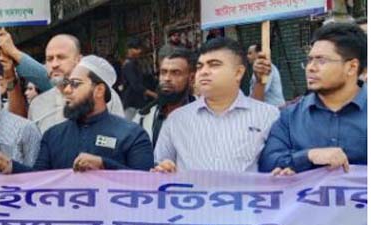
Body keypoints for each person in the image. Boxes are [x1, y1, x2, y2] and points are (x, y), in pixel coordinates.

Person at [0, 56, 153, 174]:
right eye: (67, 84)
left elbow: (145, 185)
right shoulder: (53, 135)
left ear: (99, 90)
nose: (66, 90)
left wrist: (104, 165)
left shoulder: (132, 134)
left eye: (75, 84)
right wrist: (9, 166)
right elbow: (39, 181)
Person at [153, 38, 280, 173]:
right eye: (200, 66)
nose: (204, 72)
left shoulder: (269, 116)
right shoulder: (176, 120)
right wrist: (163, 169)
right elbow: (160, 166)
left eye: (214, 65)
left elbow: (277, 166)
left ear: (238, 73)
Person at [260, 22, 366, 175]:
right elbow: (268, 163)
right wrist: (308, 156)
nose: (311, 68)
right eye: (310, 60)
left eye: (321, 61)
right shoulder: (290, 117)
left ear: (351, 67)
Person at [0, 32, 125, 133]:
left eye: (61, 57)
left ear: (79, 60)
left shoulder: (100, 96)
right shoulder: (38, 105)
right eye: (49, 59)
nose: (54, 64)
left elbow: (119, 139)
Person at [133, 49, 196, 145]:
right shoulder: (144, 117)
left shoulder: (205, 116)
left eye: (176, 73)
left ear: (191, 78)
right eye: (163, 72)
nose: (167, 78)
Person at [120, 38, 158, 119]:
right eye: (137, 48)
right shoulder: (128, 65)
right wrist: (153, 94)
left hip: (138, 102)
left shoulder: (135, 63)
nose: (140, 51)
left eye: (140, 48)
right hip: (131, 102)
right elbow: (136, 85)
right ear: (130, 50)